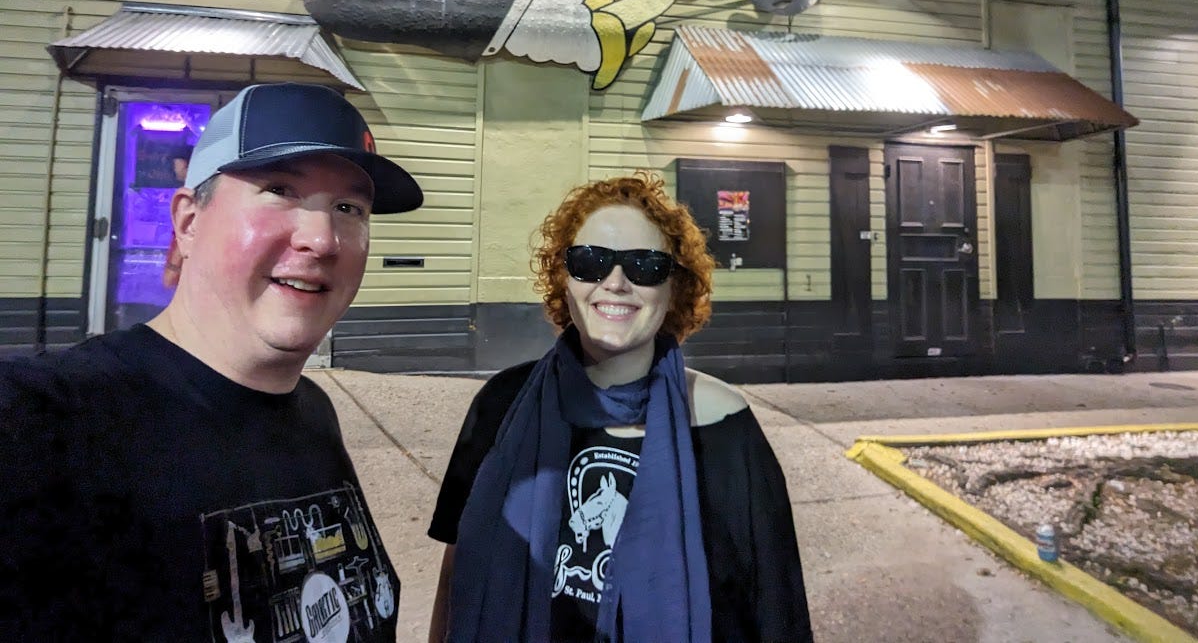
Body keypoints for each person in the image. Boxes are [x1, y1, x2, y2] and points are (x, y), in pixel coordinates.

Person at [0, 82, 422, 641]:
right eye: (280, 190)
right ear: (188, 221)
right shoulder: (42, 420)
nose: (323, 240)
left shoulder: (313, 414)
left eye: (348, 208)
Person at [427, 173, 813, 642]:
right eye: (589, 261)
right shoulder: (501, 404)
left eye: (645, 266)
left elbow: (776, 609)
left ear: (674, 288)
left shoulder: (724, 424)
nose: (615, 282)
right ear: (564, 279)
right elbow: (456, 574)